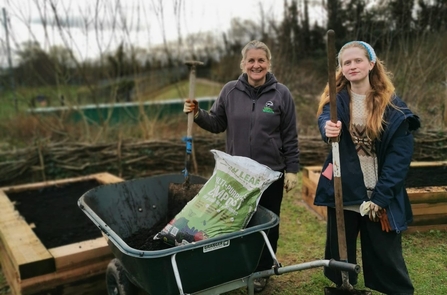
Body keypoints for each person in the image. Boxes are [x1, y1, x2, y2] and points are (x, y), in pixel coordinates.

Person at [183, 40, 300, 293]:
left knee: (267, 224)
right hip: (238, 175)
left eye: (261, 60)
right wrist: (197, 114)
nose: (256, 65)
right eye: (251, 60)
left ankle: (262, 270)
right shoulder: (229, 91)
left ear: (268, 63)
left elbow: (290, 136)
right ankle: (237, 266)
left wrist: (292, 169)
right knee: (236, 223)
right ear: (243, 64)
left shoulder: (281, 94)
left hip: (270, 176)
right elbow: (216, 123)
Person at [314, 40, 420, 295]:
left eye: (358, 60)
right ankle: (344, 285)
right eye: (346, 62)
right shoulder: (337, 101)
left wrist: (381, 198)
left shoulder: (393, 108)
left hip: (378, 195)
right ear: (341, 68)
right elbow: (325, 117)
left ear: (371, 63)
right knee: (341, 249)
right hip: (345, 189)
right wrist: (327, 128)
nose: (352, 66)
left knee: (386, 254)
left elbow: (398, 158)